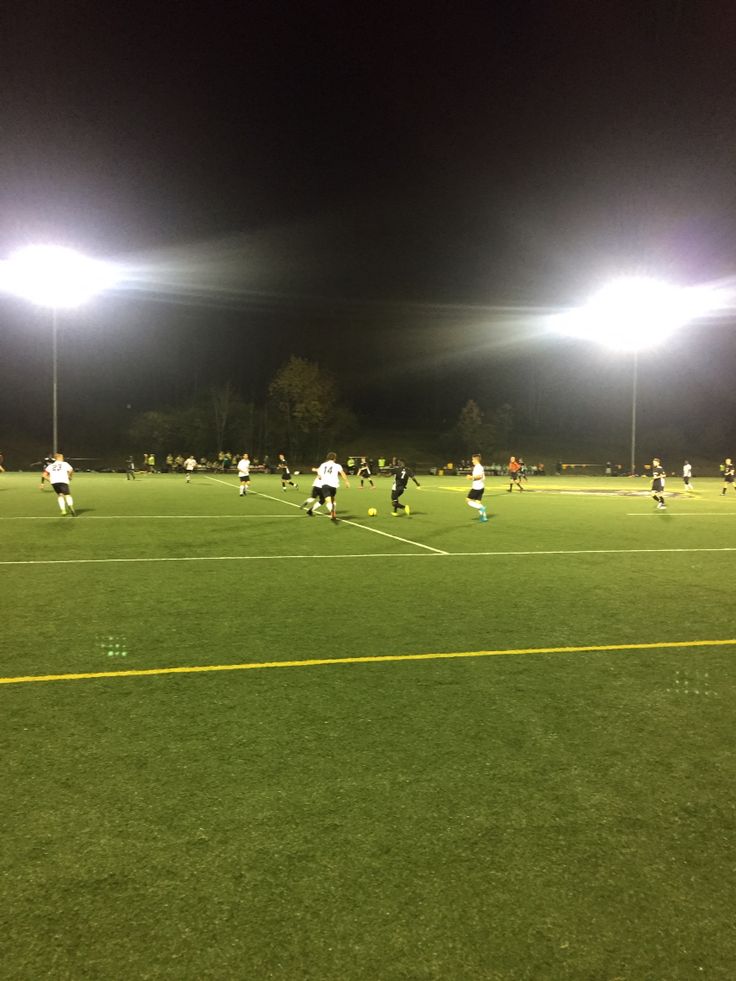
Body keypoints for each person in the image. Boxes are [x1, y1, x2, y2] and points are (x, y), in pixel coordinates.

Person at [308, 452, 349, 522]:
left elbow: (319, 475)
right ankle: (332, 512)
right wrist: (346, 481)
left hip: (325, 485)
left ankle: (331, 511)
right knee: (332, 500)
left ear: (327, 458)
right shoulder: (337, 465)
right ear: (335, 458)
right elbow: (342, 473)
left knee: (327, 501)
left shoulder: (323, 465)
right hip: (334, 485)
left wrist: (320, 477)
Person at [466, 453, 488, 521]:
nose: (472, 461)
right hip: (481, 487)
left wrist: (471, 477)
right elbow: (484, 477)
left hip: (476, 488)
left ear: (475, 459)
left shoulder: (477, 467)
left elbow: (480, 476)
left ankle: (482, 508)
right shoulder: (480, 467)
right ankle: (484, 517)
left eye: (472, 459)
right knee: (478, 502)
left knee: (468, 500)